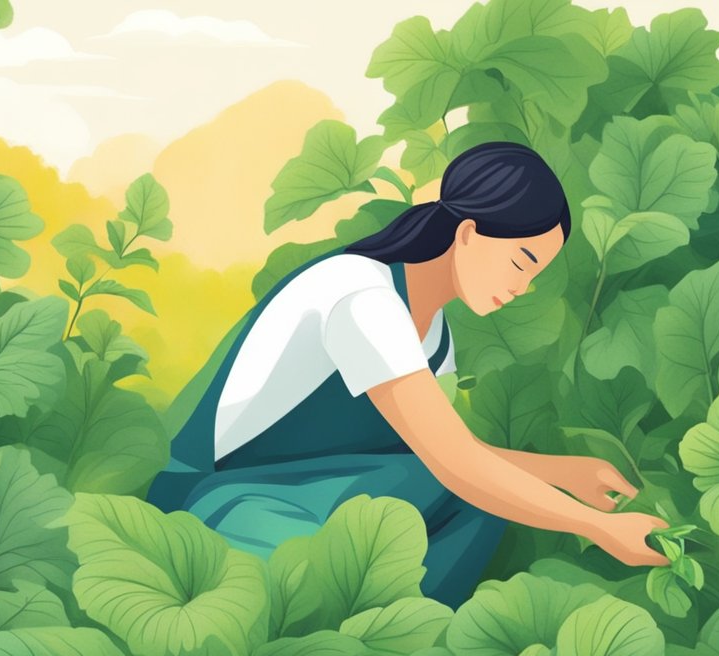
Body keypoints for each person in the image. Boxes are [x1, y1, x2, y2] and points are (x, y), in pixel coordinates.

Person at [146, 141, 670, 609]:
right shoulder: (362, 297)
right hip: (220, 501)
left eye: (535, 274)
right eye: (521, 262)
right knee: (455, 497)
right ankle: (348, 622)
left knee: (476, 502)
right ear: (468, 233)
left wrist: (563, 473)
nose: (524, 287)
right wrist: (597, 526)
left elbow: (435, 451)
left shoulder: (433, 329)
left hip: (314, 489)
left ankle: (408, 630)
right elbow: (455, 462)